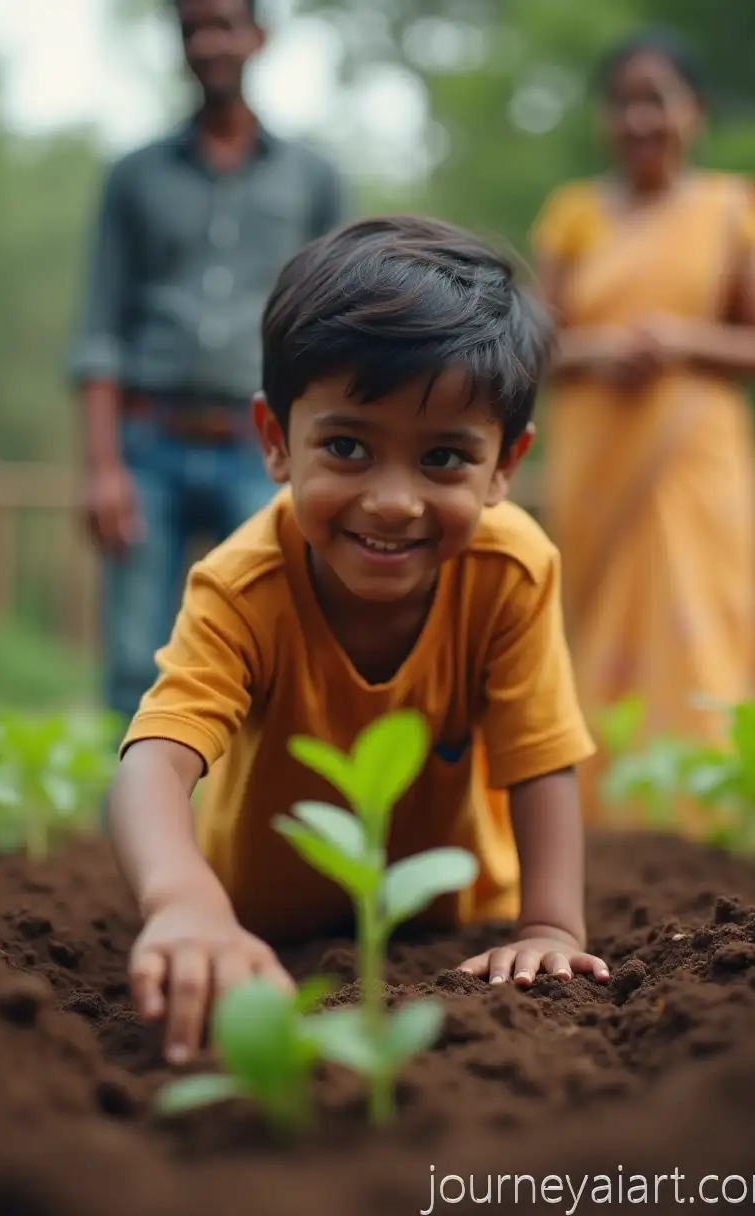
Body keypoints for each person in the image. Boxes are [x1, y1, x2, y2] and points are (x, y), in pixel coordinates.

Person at [104, 214, 611, 1066]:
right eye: (346, 446)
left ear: (505, 466)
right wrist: (184, 902)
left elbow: (540, 758)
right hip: (256, 921)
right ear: (275, 442)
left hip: (447, 922)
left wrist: (550, 925)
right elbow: (154, 756)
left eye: (446, 457)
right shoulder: (242, 584)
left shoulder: (511, 569)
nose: (393, 501)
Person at [530, 29, 755, 828]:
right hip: (597, 451)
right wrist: (599, 350)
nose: (641, 119)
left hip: (694, 456)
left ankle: (705, 824)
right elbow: (531, 345)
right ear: (606, 119)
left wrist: (682, 341)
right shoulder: (574, 216)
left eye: (658, 100)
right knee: (597, 623)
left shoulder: (731, 210)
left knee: (698, 623)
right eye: (624, 103)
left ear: (694, 112)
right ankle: (600, 828)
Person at [69, 0, 349, 725]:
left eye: (225, 24)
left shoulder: (313, 179)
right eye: (193, 28)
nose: (209, 42)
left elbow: (333, 327)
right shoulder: (133, 177)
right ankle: (125, 834)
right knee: (135, 656)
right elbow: (100, 327)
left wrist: (324, 457)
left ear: (259, 37)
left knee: (264, 640)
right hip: (146, 443)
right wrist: (102, 467)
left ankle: (239, 829)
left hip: (259, 449)